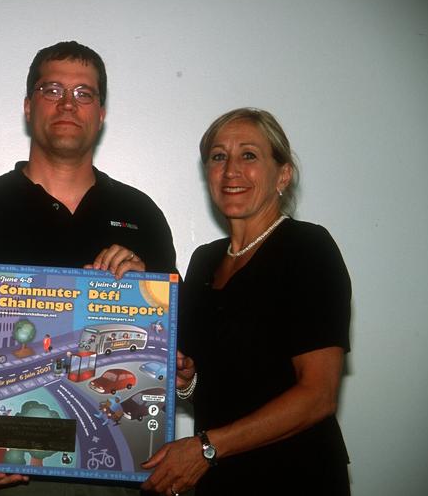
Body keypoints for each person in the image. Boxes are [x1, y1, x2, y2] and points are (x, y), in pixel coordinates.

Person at [0, 41, 177, 495]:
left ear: (100, 113)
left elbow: (173, 353)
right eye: (53, 90)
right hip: (7, 474)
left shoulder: (142, 214)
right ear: (29, 107)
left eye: (84, 93)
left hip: (116, 475)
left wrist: (146, 291)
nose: (68, 104)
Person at [142, 108, 351, 495]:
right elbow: (221, 383)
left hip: (295, 475)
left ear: (282, 175)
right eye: (218, 156)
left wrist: (207, 448)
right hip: (217, 477)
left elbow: (318, 395)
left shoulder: (307, 249)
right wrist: (188, 381)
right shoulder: (204, 260)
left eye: (249, 155)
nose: (231, 170)